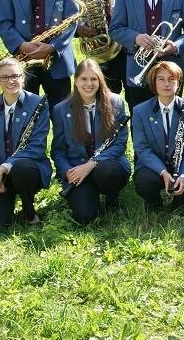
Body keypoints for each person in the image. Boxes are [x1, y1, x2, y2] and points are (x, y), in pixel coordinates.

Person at [50, 59, 131, 225]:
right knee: (86, 216)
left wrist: (92, 164)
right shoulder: (61, 110)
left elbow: (119, 144)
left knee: (108, 171)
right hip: (77, 167)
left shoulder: (115, 102)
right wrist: (67, 172)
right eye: (84, 79)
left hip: (107, 164)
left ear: (100, 81)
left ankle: (112, 198)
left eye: (94, 79)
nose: (89, 84)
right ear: (76, 81)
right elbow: (58, 150)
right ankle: (89, 194)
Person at [0, 57, 51, 226]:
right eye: (4, 77)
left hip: (27, 169)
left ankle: (28, 207)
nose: (10, 81)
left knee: (22, 167)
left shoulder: (38, 103)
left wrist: (4, 167)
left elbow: (37, 147)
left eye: (15, 76)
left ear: (23, 77)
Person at [131, 61, 184, 211]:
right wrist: (162, 172)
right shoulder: (140, 111)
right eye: (161, 79)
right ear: (154, 83)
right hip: (154, 167)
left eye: (171, 79)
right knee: (144, 182)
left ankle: (177, 205)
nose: (166, 84)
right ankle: (154, 204)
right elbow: (142, 148)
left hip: (181, 165)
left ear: (178, 83)